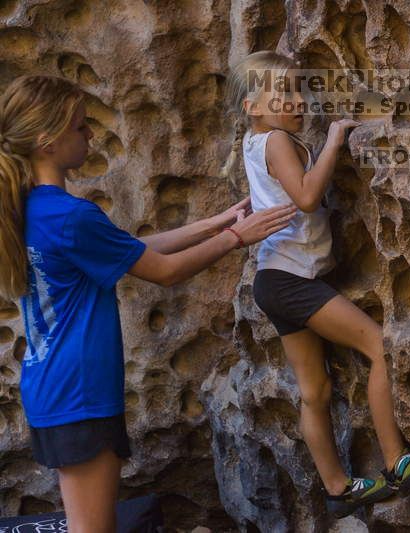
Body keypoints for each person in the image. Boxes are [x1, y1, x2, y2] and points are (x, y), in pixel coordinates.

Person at [0, 74, 297, 532]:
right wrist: (238, 238)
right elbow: (164, 271)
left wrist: (217, 224)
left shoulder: (33, 209)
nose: (90, 135)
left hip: (52, 388)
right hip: (80, 394)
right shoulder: (70, 216)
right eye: (80, 127)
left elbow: (130, 250)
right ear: (47, 141)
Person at [224, 51, 410, 519]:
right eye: (283, 94)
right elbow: (309, 198)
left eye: (299, 90)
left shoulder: (255, 143)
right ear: (252, 105)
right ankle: (397, 460)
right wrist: (334, 140)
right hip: (292, 280)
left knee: (314, 392)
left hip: (273, 281)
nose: (297, 101)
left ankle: (338, 488)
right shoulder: (276, 140)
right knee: (378, 346)